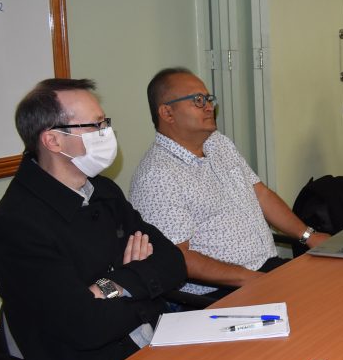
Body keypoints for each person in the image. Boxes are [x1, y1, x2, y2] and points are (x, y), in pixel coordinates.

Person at [0, 78, 300, 360]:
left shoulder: (102, 191)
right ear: (53, 140)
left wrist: (115, 284)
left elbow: (170, 261)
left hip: (150, 355)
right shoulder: (18, 224)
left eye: (105, 122)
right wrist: (135, 281)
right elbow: (85, 327)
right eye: (94, 125)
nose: (107, 133)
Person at [130, 68, 328, 296]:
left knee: (335, 284)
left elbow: (260, 194)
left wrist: (309, 236)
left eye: (208, 99)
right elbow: (176, 256)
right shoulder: (157, 176)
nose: (209, 106)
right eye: (198, 100)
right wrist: (252, 279)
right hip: (218, 291)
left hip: (265, 268)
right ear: (167, 113)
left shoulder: (218, 143)